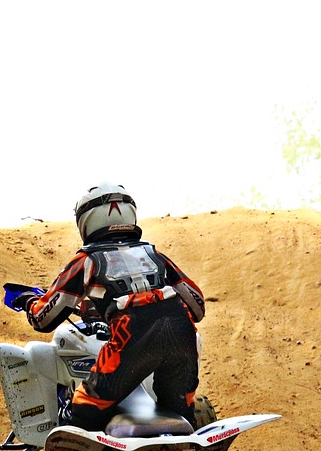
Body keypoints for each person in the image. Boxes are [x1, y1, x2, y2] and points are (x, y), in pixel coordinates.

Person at [12, 182, 206, 431]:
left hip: (132, 337)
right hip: (183, 335)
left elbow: (43, 319)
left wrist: (27, 300)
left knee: (84, 413)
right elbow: (198, 307)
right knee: (179, 419)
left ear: (87, 220)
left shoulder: (86, 260)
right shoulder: (155, 255)